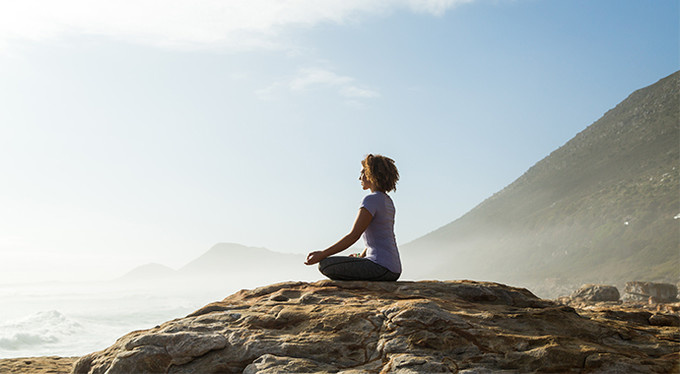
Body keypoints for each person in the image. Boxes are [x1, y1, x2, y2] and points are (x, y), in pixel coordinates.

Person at [305, 154, 401, 281]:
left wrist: (322, 254)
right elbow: (379, 237)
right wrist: (360, 257)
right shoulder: (387, 201)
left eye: (362, 173)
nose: (359, 177)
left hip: (380, 267)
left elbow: (353, 236)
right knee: (341, 262)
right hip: (393, 269)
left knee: (325, 265)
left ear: (371, 175)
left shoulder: (371, 200)